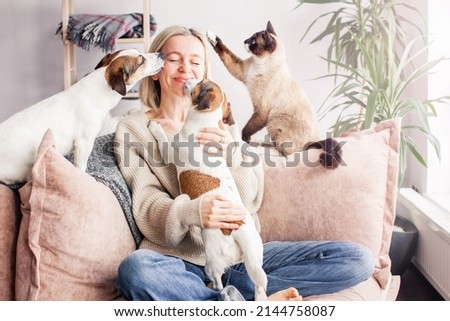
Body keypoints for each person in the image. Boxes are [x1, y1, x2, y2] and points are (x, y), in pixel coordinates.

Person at [114, 25, 374, 301]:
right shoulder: (135, 128)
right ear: (156, 69)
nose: (185, 69)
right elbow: (146, 207)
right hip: (180, 263)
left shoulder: (224, 124)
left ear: (204, 71)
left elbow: (250, 197)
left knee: (358, 259)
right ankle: (238, 302)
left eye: (195, 61)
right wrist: (194, 211)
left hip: (240, 255)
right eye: (174, 59)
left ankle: (223, 298)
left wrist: (231, 150)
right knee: (134, 271)